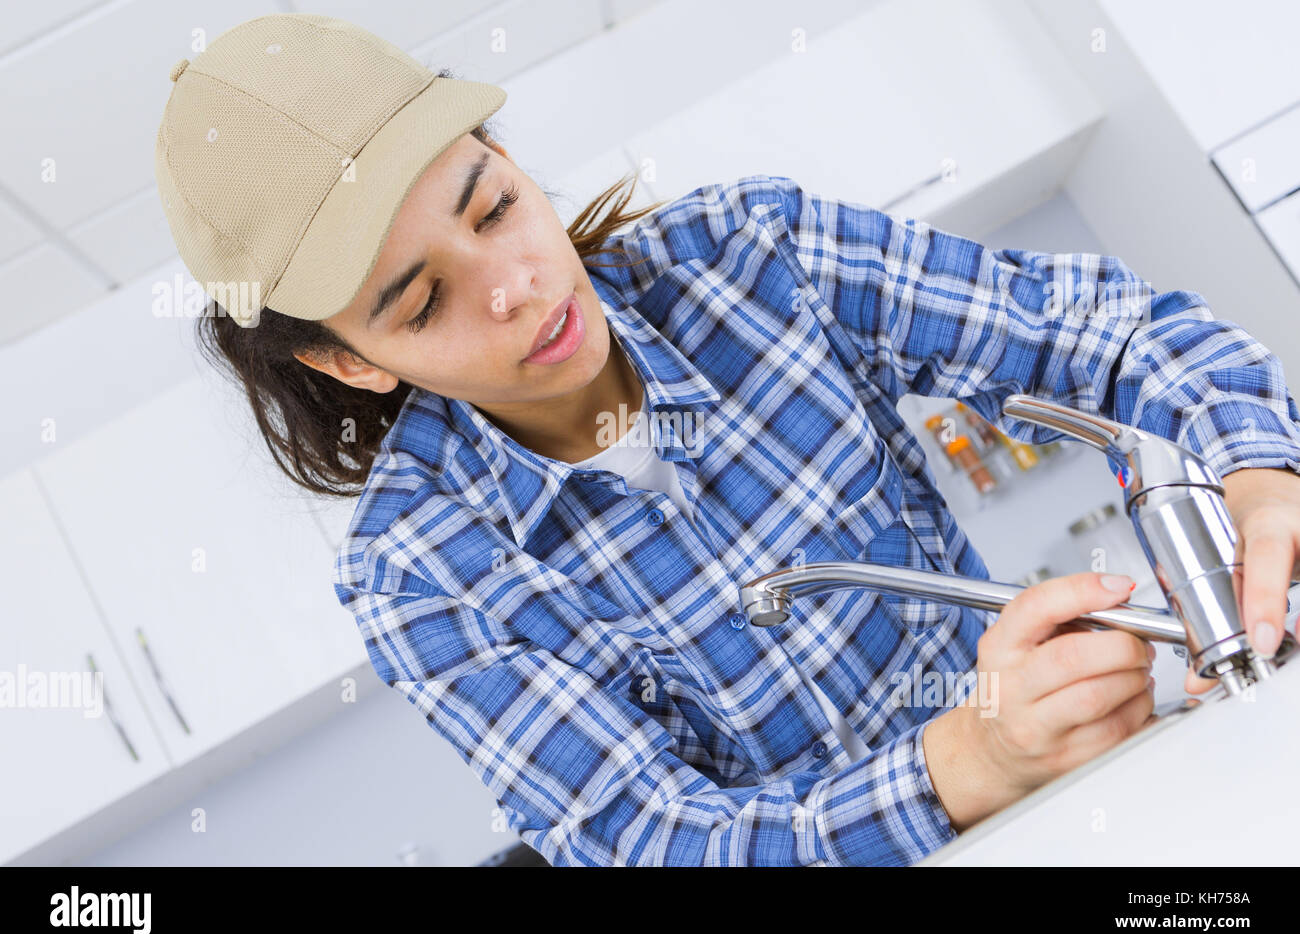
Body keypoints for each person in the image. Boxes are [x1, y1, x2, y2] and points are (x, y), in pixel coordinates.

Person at [155, 13, 1300, 866]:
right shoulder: (419, 575)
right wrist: (968, 762)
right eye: (422, 303)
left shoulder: (748, 255)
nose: (517, 286)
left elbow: (1098, 335)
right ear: (347, 359)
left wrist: (1254, 481)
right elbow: (655, 840)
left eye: (494, 204)